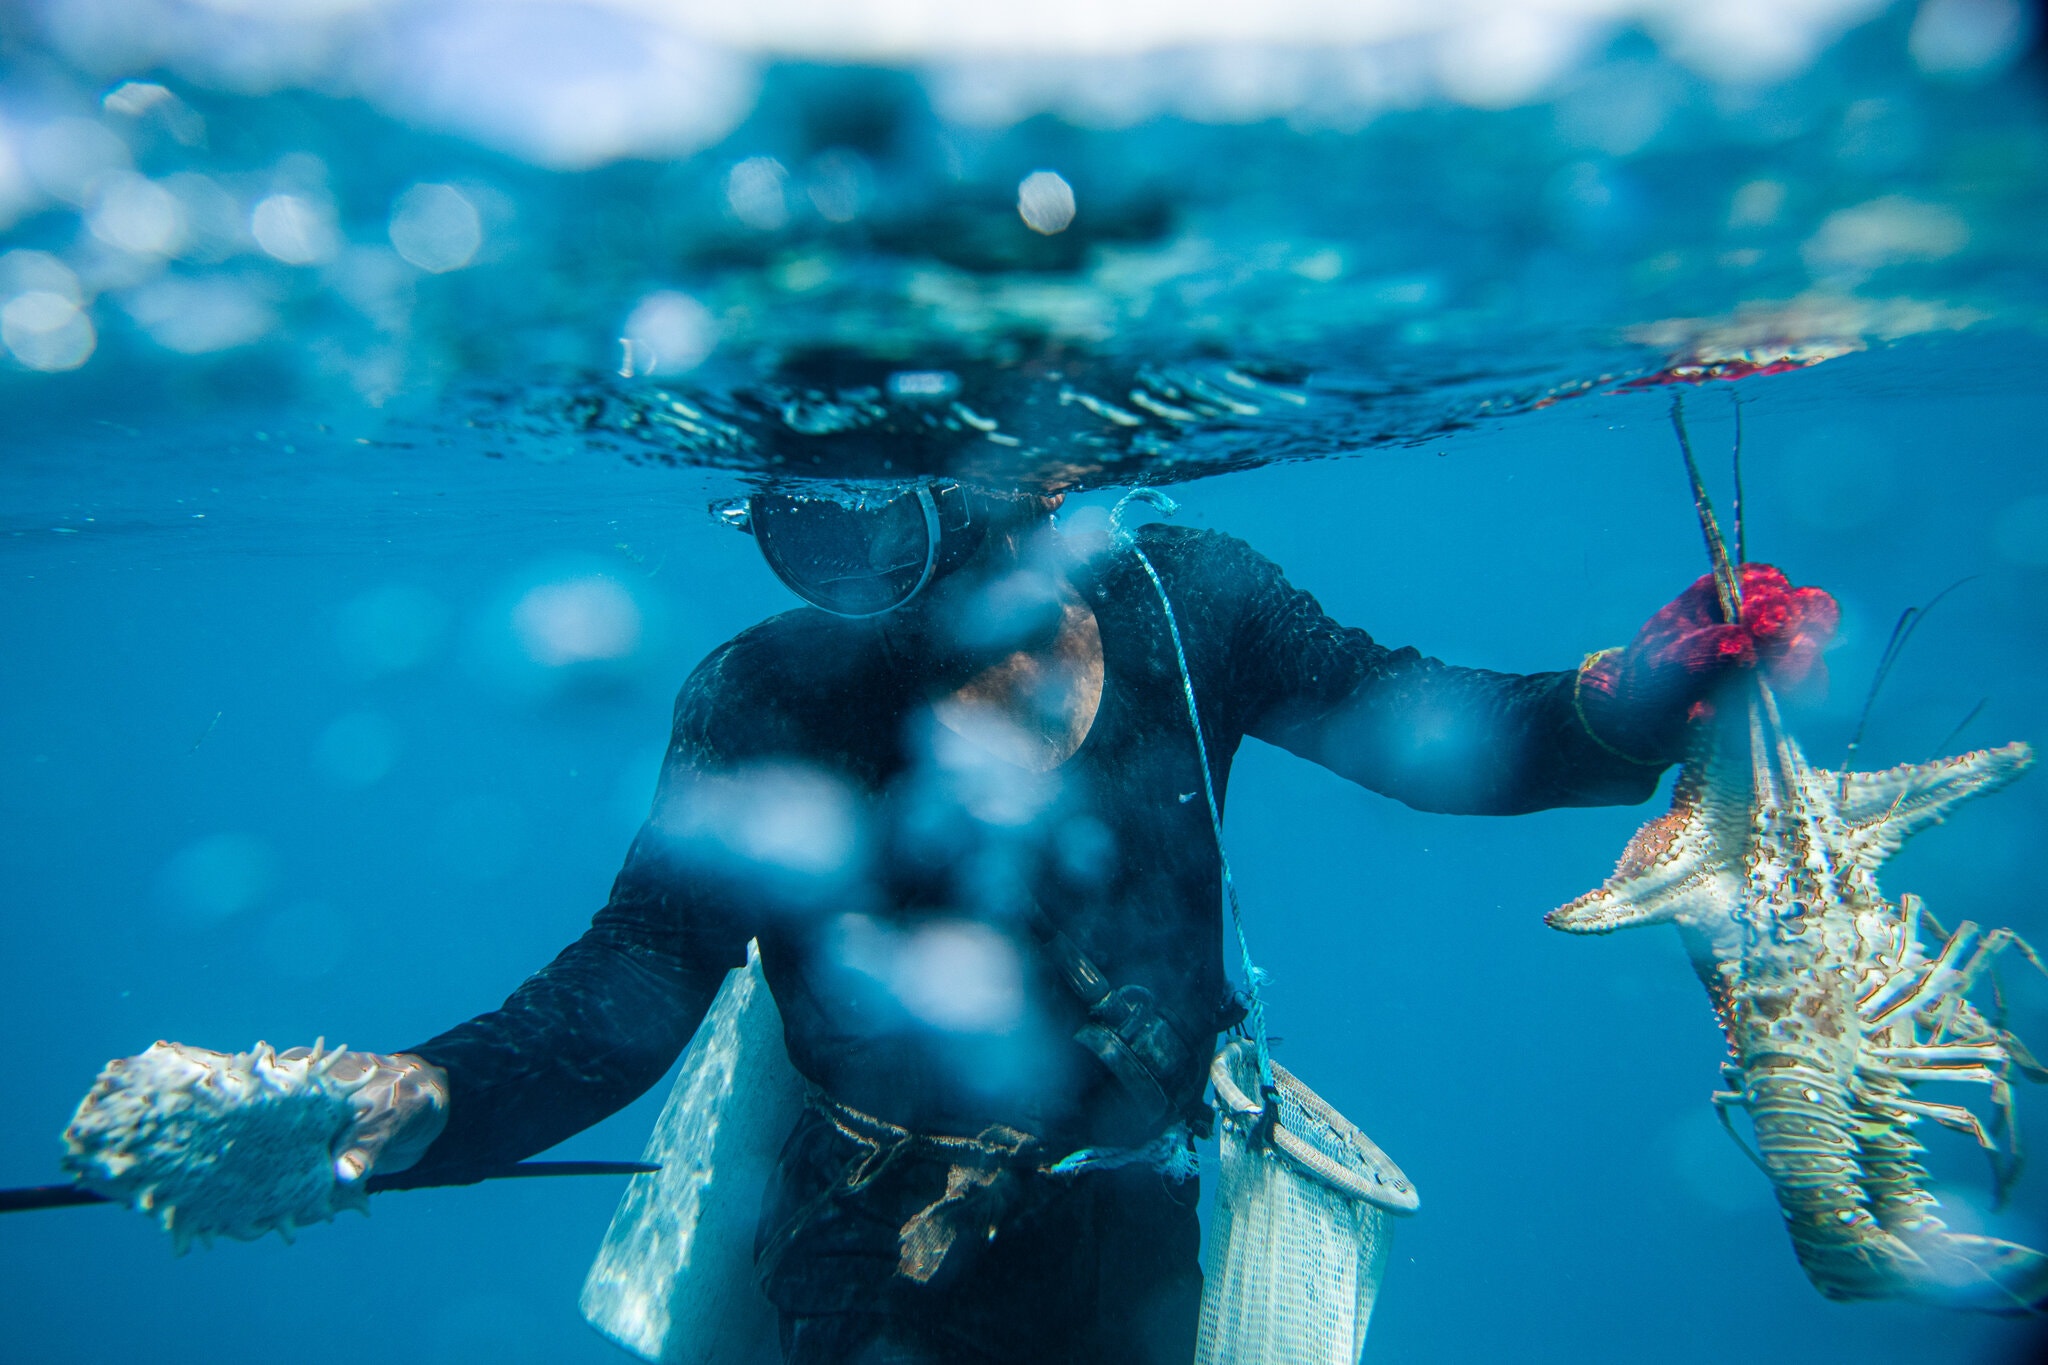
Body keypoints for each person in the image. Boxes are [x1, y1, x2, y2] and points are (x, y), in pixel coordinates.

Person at [93, 480, 1839, 1365]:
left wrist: (1640, 690)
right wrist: (403, 1099)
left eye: (877, 513)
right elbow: (632, 990)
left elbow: (1433, 734)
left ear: (1033, 473)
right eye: (797, 521)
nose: (844, 568)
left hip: (1146, 1231)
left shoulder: (1189, 595)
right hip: (860, 1258)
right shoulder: (770, 694)